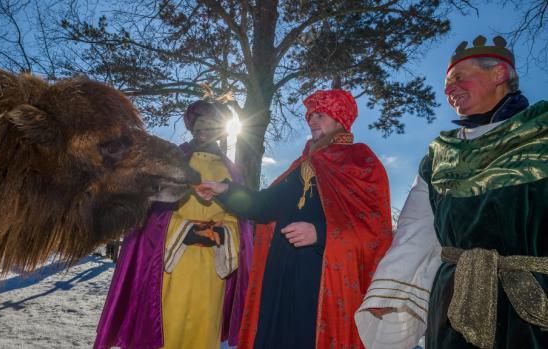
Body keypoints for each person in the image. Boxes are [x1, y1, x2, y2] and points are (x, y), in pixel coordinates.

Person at [355, 35, 548, 349]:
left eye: (458, 77)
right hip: (452, 305)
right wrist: (389, 292)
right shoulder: (441, 153)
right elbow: (416, 229)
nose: (447, 89)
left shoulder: (541, 130)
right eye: (446, 82)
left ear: (499, 74)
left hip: (534, 303)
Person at [195, 89, 393, 349]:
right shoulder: (302, 165)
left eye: (319, 115)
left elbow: (374, 230)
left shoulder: (360, 160)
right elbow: (265, 206)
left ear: (339, 118)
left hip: (321, 283)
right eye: (309, 116)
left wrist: (319, 233)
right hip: (279, 280)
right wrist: (225, 190)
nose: (311, 121)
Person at [94, 100, 253, 349]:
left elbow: (239, 217)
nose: (206, 130)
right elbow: (152, 215)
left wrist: (222, 232)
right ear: (192, 127)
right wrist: (185, 231)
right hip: (172, 262)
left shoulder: (231, 170)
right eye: (201, 124)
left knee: (204, 326)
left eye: (213, 125)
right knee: (170, 325)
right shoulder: (174, 161)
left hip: (213, 265)